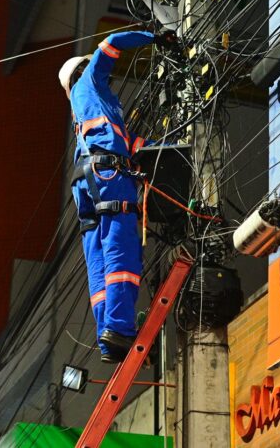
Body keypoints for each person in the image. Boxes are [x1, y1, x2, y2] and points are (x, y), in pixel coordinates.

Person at [59, 29, 175, 363]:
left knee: (97, 254)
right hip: (108, 173)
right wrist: (155, 37)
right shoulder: (90, 82)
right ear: (83, 70)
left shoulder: (83, 110)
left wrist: (162, 148)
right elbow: (111, 44)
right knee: (120, 246)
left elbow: (130, 143)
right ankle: (120, 328)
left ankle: (108, 338)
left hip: (85, 180)